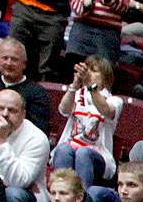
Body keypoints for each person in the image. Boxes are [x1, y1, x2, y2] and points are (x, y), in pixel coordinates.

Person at [51, 56, 122, 187]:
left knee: (83, 153)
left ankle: (83, 201)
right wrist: (74, 85)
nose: (89, 73)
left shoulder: (114, 100)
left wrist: (91, 86)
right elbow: (64, 110)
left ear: (106, 77)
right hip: (71, 146)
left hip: (99, 154)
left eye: (94, 70)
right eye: (87, 70)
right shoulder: (77, 94)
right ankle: (60, 193)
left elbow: (106, 110)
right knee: (63, 150)